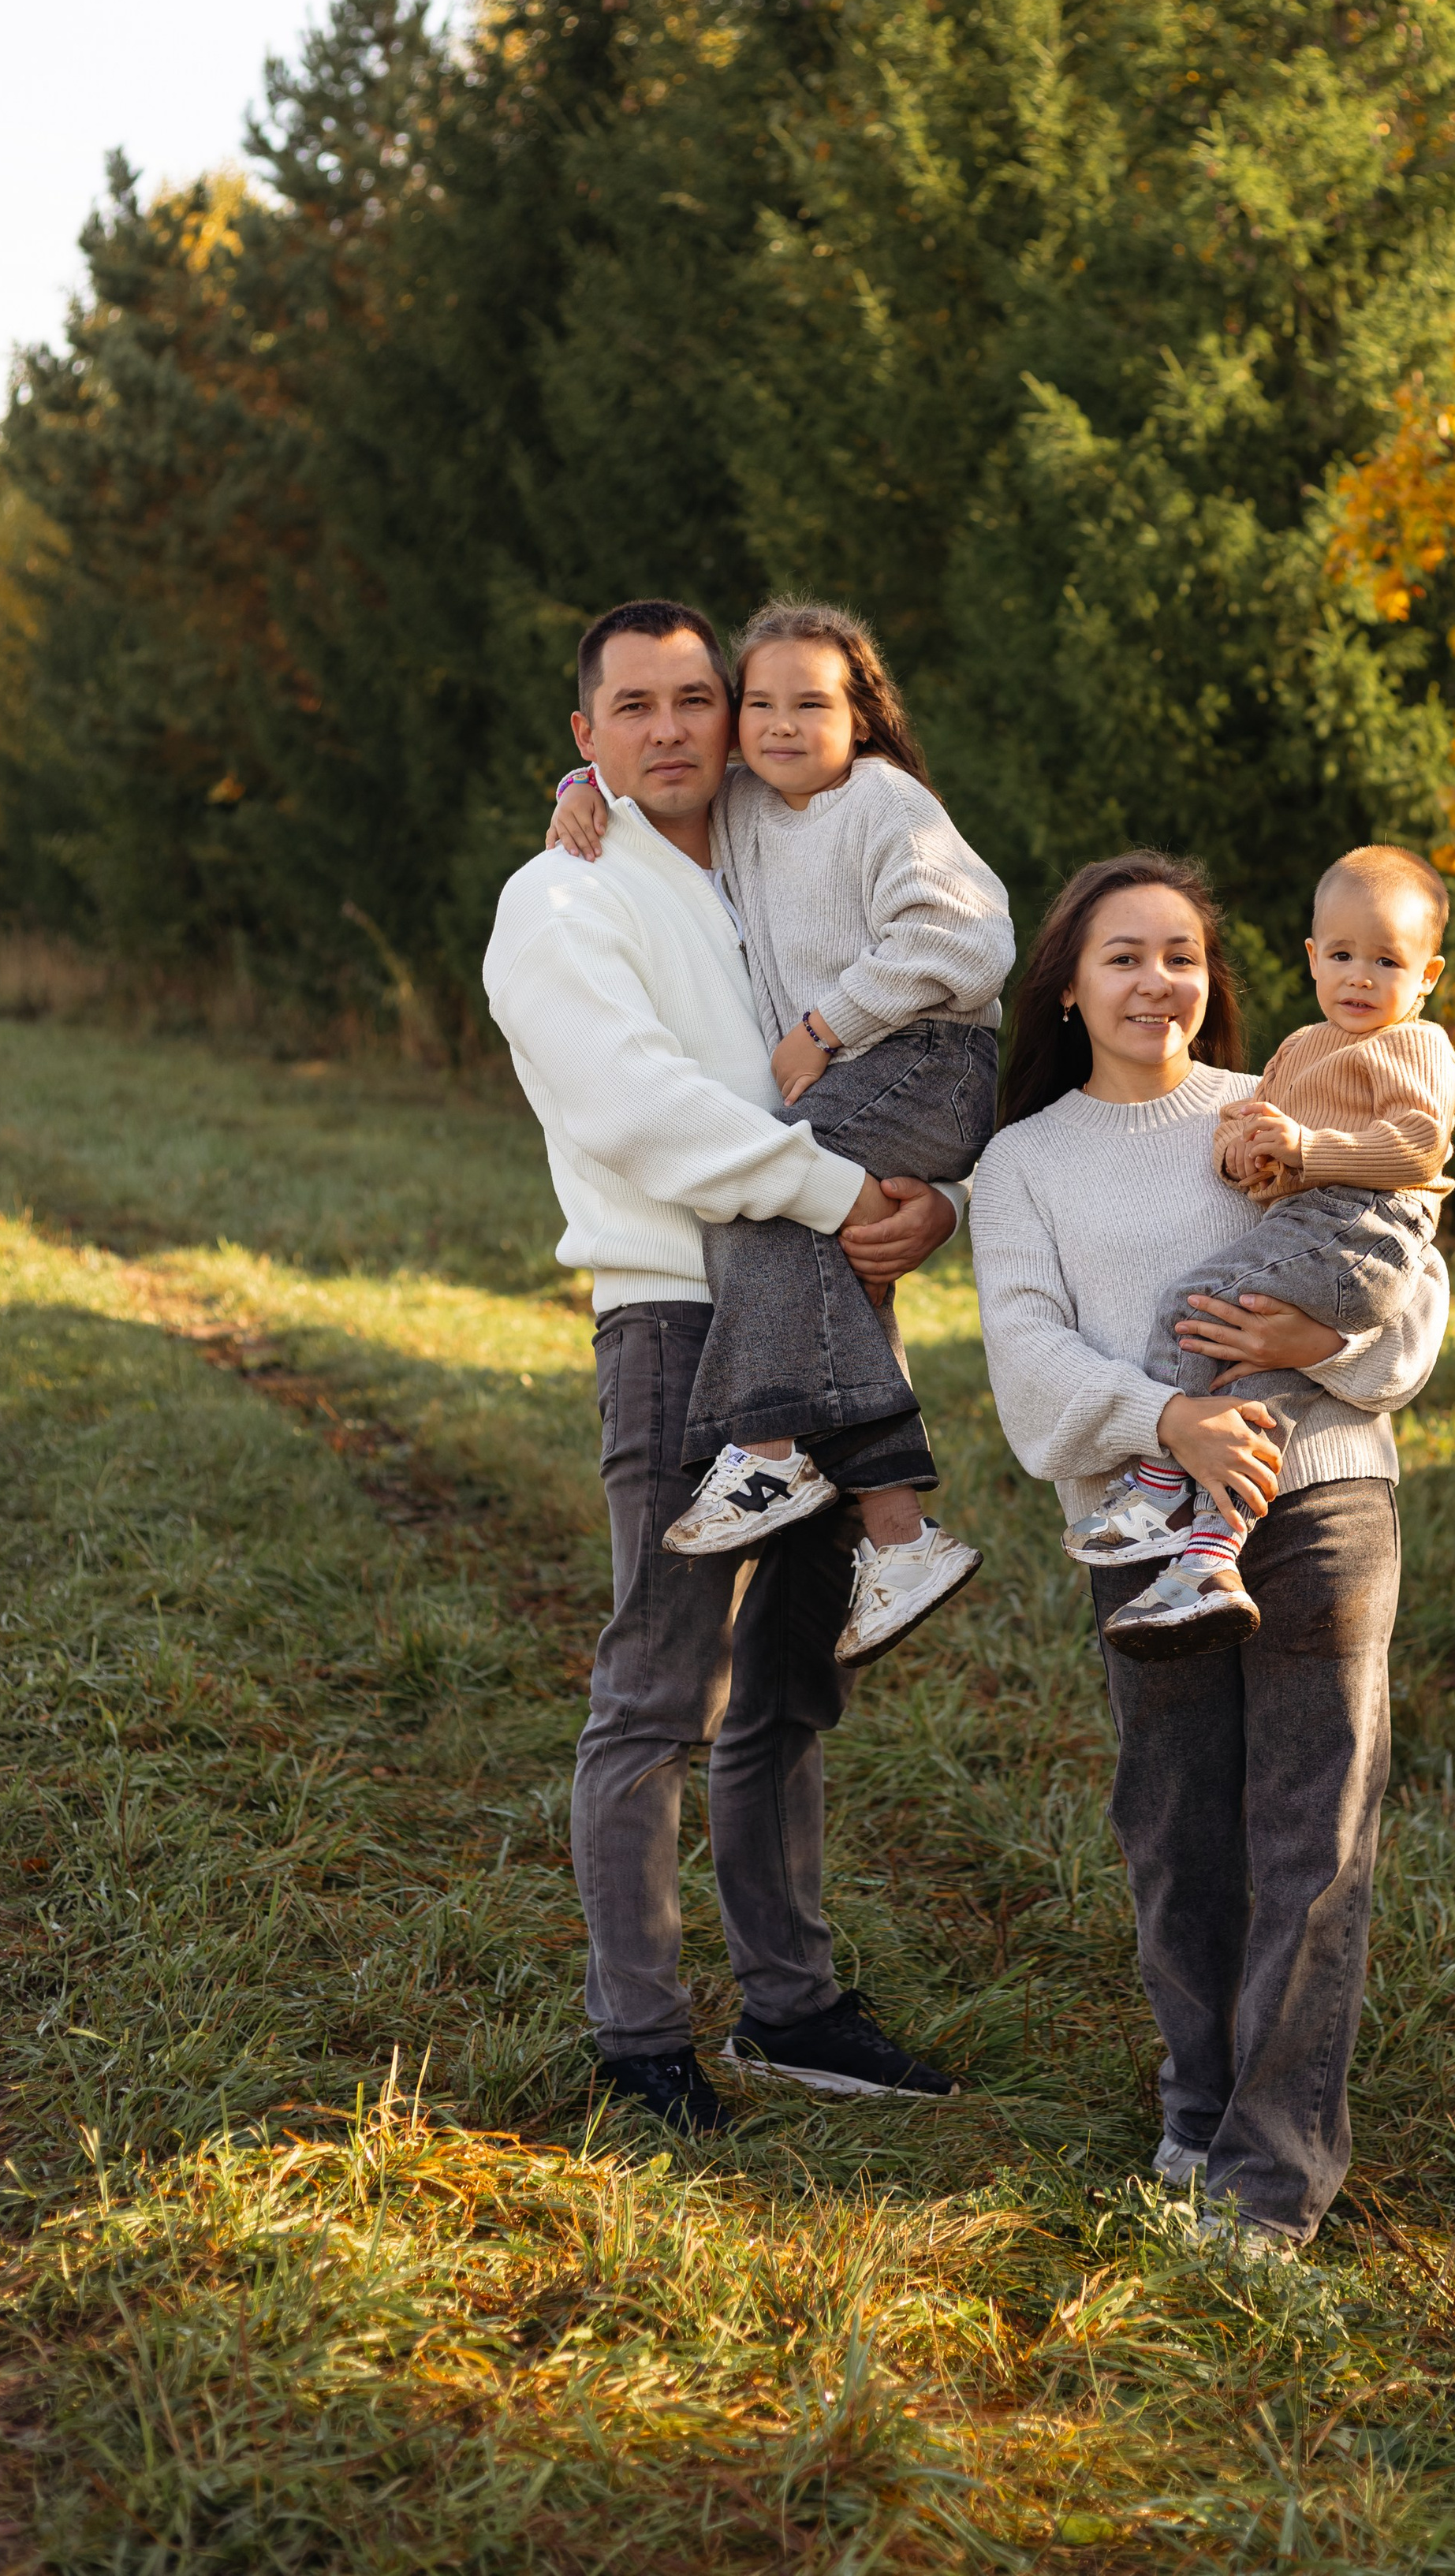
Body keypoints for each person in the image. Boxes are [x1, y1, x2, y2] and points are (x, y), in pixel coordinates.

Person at [484, 598, 962, 2136]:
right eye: (635, 708)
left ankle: (791, 2004)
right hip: (677, 1326)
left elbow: (898, 1027)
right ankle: (637, 2042)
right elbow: (638, 1110)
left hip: (825, 1309)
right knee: (659, 1684)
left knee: (791, 1679)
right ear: (586, 737)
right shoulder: (556, 904)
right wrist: (837, 1194)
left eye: (696, 698)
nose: (674, 730)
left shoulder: (777, 866)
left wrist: (922, 1200)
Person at [968, 851, 1449, 2249]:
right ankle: (1201, 2103)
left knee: (1314, 1828)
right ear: (1068, 982)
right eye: (1124, 954)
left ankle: (1274, 2173)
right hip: (1144, 1515)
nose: (1157, 980)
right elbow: (1027, 1368)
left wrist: (1327, 1343)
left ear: (1216, 980)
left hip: (1326, 1494)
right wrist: (1168, 1417)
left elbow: (1413, 1293)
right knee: (1177, 1827)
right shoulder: (1026, 1163)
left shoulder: (1288, 1102)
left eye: (1181, 954)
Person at [547, 596, 1012, 1668]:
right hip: (871, 1079)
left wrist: (824, 1023)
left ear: (863, 717)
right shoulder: (751, 801)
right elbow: (646, 777)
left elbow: (973, 941)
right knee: (788, 1219)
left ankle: (765, 1451)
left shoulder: (886, 803)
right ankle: (901, 1538)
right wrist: (578, 792)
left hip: (930, 1063)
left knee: (758, 1194)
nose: (781, 725)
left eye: (812, 704)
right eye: (759, 704)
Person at [1066, 843, 1455, 1657]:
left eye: (1386, 960)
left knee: (1193, 1304)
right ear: (1312, 958)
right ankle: (1212, 1556)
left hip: (1367, 1226)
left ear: (1427, 977)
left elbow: (1419, 1149)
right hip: (1314, 1220)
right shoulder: (1296, 1049)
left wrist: (1308, 1151)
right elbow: (1251, 1142)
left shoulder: (1416, 1046)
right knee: (1253, 1377)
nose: (1360, 977)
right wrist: (1245, 1157)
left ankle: (1160, 1486)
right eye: (1343, 955)